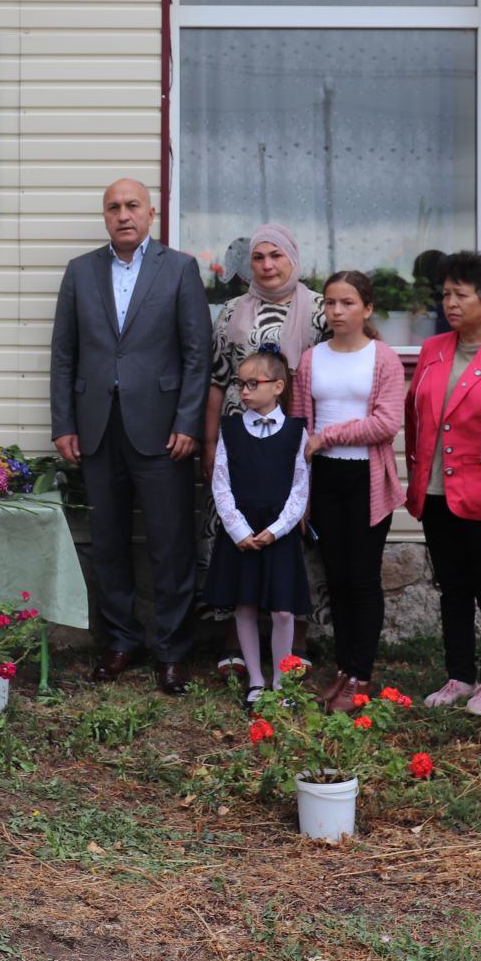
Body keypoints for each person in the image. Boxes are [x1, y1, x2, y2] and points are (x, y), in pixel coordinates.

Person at [49, 178, 210, 695]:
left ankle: (173, 651)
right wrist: (64, 424)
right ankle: (121, 641)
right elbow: (63, 355)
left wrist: (187, 423)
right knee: (111, 543)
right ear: (104, 216)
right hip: (97, 429)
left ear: (151, 212)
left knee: (170, 544)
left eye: (132, 205)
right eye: (114, 207)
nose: (123, 214)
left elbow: (195, 355)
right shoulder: (81, 272)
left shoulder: (179, 268)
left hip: (163, 431)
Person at [202, 223, 328, 683]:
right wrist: (211, 443)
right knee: (236, 537)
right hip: (238, 443)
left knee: (292, 541)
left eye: (276, 255)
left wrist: (311, 447)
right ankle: (236, 645)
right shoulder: (231, 311)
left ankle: (295, 645)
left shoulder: (318, 310)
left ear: (293, 257)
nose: (268, 265)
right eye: (259, 257)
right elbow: (217, 381)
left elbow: (322, 381)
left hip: (294, 439)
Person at [404, 251, 481, 716]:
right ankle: (458, 675)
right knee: (452, 588)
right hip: (436, 492)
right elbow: (413, 415)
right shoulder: (435, 349)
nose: (450, 303)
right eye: (445, 294)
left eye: (460, 294)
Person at [290, 270, 406, 711]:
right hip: (325, 481)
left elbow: (385, 423)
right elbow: (301, 428)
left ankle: (362, 673)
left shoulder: (383, 359)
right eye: (331, 303)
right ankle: (343, 668)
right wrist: (301, 493)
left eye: (348, 303)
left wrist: (329, 436)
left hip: (366, 480)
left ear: (367, 309)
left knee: (362, 579)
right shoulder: (311, 359)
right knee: (335, 580)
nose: (337, 311)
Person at [205, 348, 312, 705]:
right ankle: (255, 680)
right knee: (245, 605)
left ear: (278, 386)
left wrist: (278, 529)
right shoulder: (231, 430)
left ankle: (281, 682)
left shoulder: (296, 431)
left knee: (282, 609)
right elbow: (221, 483)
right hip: (243, 533)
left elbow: (300, 488)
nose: (244, 392)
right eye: (240, 384)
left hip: (277, 532)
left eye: (253, 384)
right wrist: (238, 530)